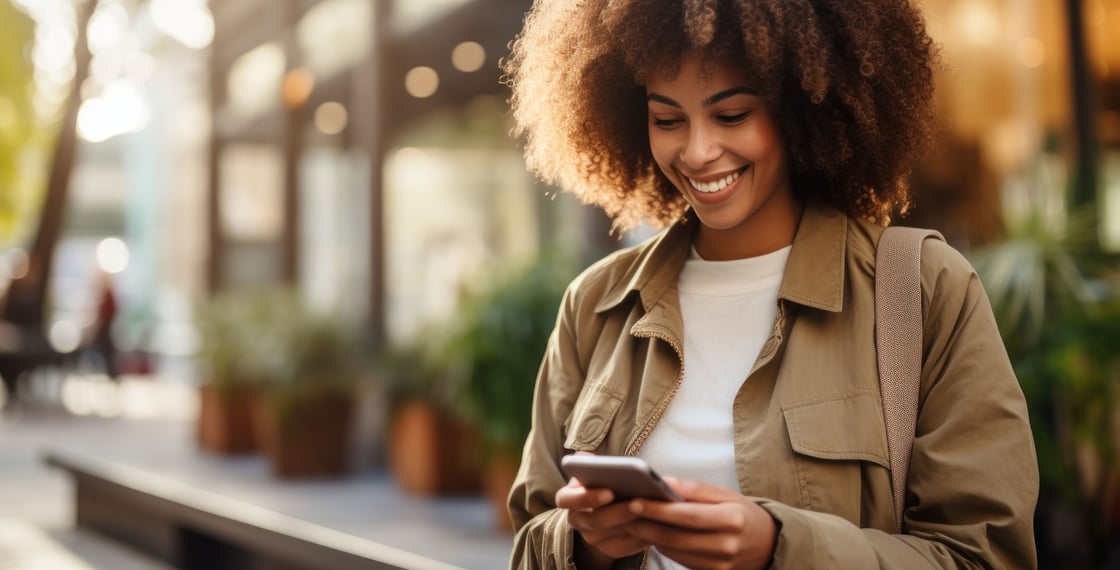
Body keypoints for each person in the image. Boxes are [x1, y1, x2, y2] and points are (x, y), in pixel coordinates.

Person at [502, 0, 1039, 569]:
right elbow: (530, 537)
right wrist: (584, 543)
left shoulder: (923, 289)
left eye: (731, 115)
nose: (699, 151)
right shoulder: (596, 305)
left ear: (803, 108)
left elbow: (984, 557)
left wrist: (778, 547)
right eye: (667, 120)